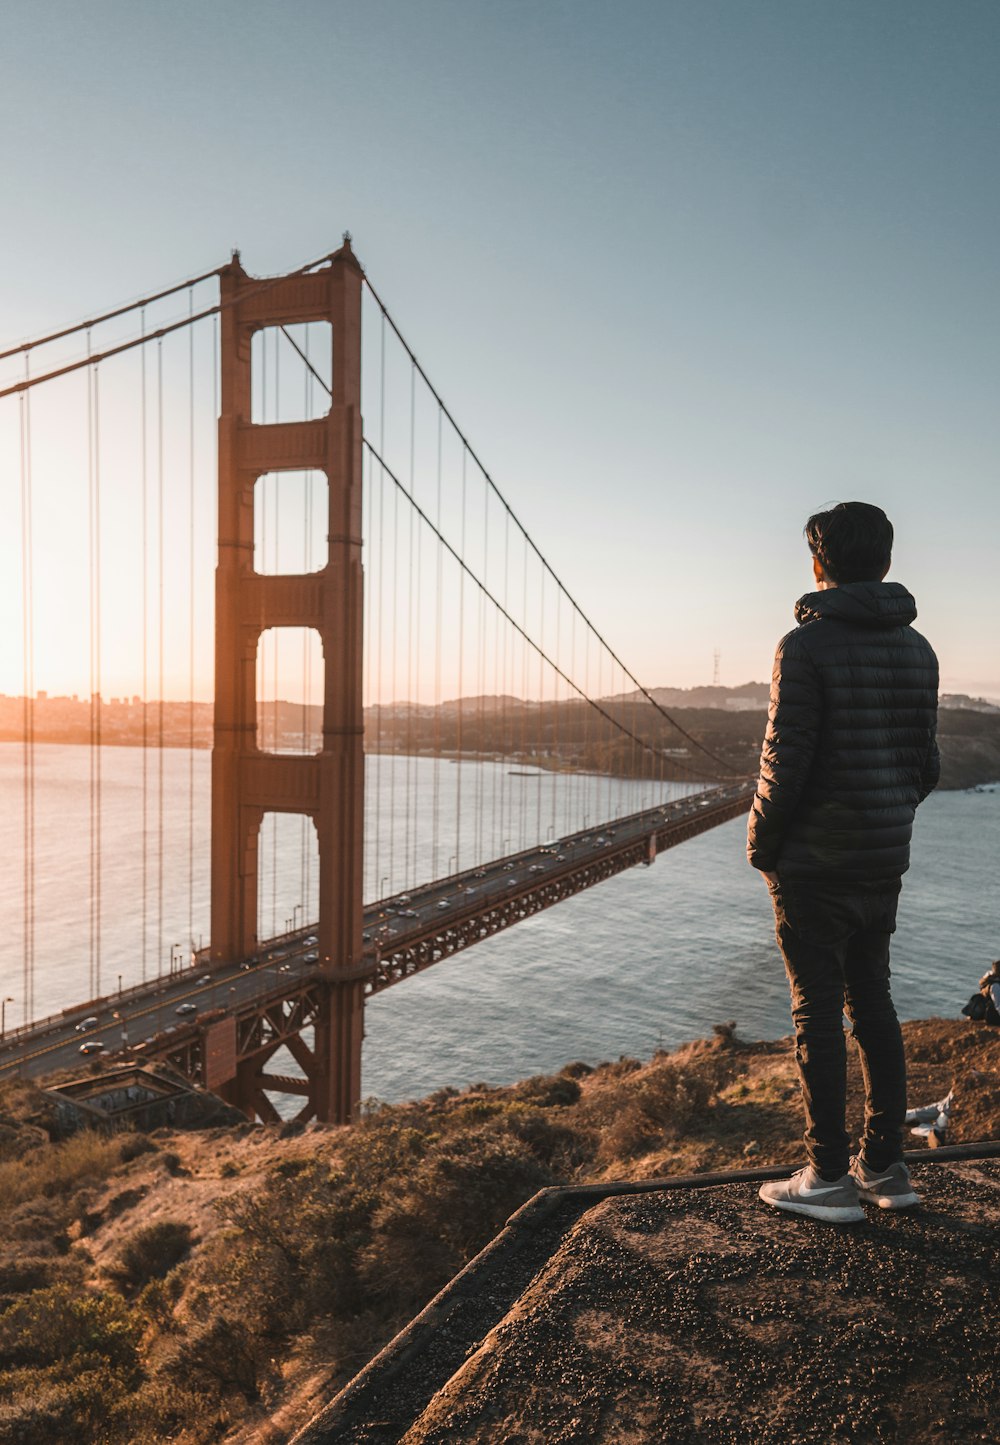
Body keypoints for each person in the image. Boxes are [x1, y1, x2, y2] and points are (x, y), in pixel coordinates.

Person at [749, 502, 939, 1223]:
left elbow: (783, 762)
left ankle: (827, 1177)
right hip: (882, 858)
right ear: (885, 562)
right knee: (875, 1004)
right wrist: (886, 814)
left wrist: (763, 845)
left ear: (818, 563)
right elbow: (927, 765)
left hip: (815, 865)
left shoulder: (804, 647)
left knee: (817, 1013)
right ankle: (886, 1167)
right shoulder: (919, 649)